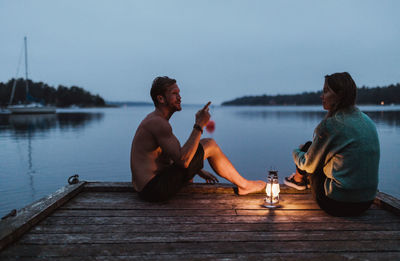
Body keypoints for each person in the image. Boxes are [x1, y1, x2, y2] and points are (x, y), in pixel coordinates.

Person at [130, 76, 266, 202]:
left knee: (194, 156)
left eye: (179, 93)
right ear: (161, 99)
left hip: (147, 189)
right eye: (174, 94)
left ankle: (242, 185)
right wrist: (200, 124)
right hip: (153, 190)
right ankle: (244, 185)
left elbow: (170, 155)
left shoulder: (156, 121)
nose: (179, 97)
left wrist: (198, 169)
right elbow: (183, 161)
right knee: (210, 144)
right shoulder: (158, 123)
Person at [284, 72, 380, 216]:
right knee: (317, 149)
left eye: (326, 91)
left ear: (340, 95)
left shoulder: (332, 125)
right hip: (366, 202)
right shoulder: (367, 120)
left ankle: (298, 181)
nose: (322, 96)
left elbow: (308, 164)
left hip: (337, 203)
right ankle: (298, 180)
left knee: (308, 149)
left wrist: (295, 151)